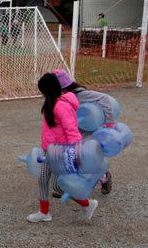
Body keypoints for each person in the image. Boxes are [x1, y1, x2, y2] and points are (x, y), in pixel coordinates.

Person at [27, 72, 99, 224]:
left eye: (42, 90)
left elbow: (72, 131)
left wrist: (74, 153)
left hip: (62, 152)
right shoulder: (50, 102)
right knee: (42, 179)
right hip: (49, 150)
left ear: (49, 90)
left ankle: (88, 204)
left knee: (60, 186)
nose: (41, 94)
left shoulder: (62, 106)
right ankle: (44, 212)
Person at [53, 69, 114, 195]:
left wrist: (109, 121)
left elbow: (104, 99)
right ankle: (68, 186)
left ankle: (104, 177)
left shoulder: (81, 94)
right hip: (71, 132)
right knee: (69, 158)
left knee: (88, 159)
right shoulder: (58, 97)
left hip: (87, 132)